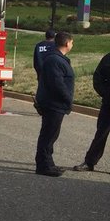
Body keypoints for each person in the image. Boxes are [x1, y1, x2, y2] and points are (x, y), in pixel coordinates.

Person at [35, 31, 75, 177]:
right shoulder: (54, 60)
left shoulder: (58, 59)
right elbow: (57, 84)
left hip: (57, 104)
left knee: (52, 135)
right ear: (66, 43)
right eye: (71, 42)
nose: (72, 44)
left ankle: (49, 163)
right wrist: (67, 99)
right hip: (53, 104)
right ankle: (43, 166)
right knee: (48, 135)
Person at [73, 49, 110, 172]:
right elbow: (98, 79)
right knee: (101, 134)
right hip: (108, 105)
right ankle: (90, 162)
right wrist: (106, 94)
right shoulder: (108, 59)